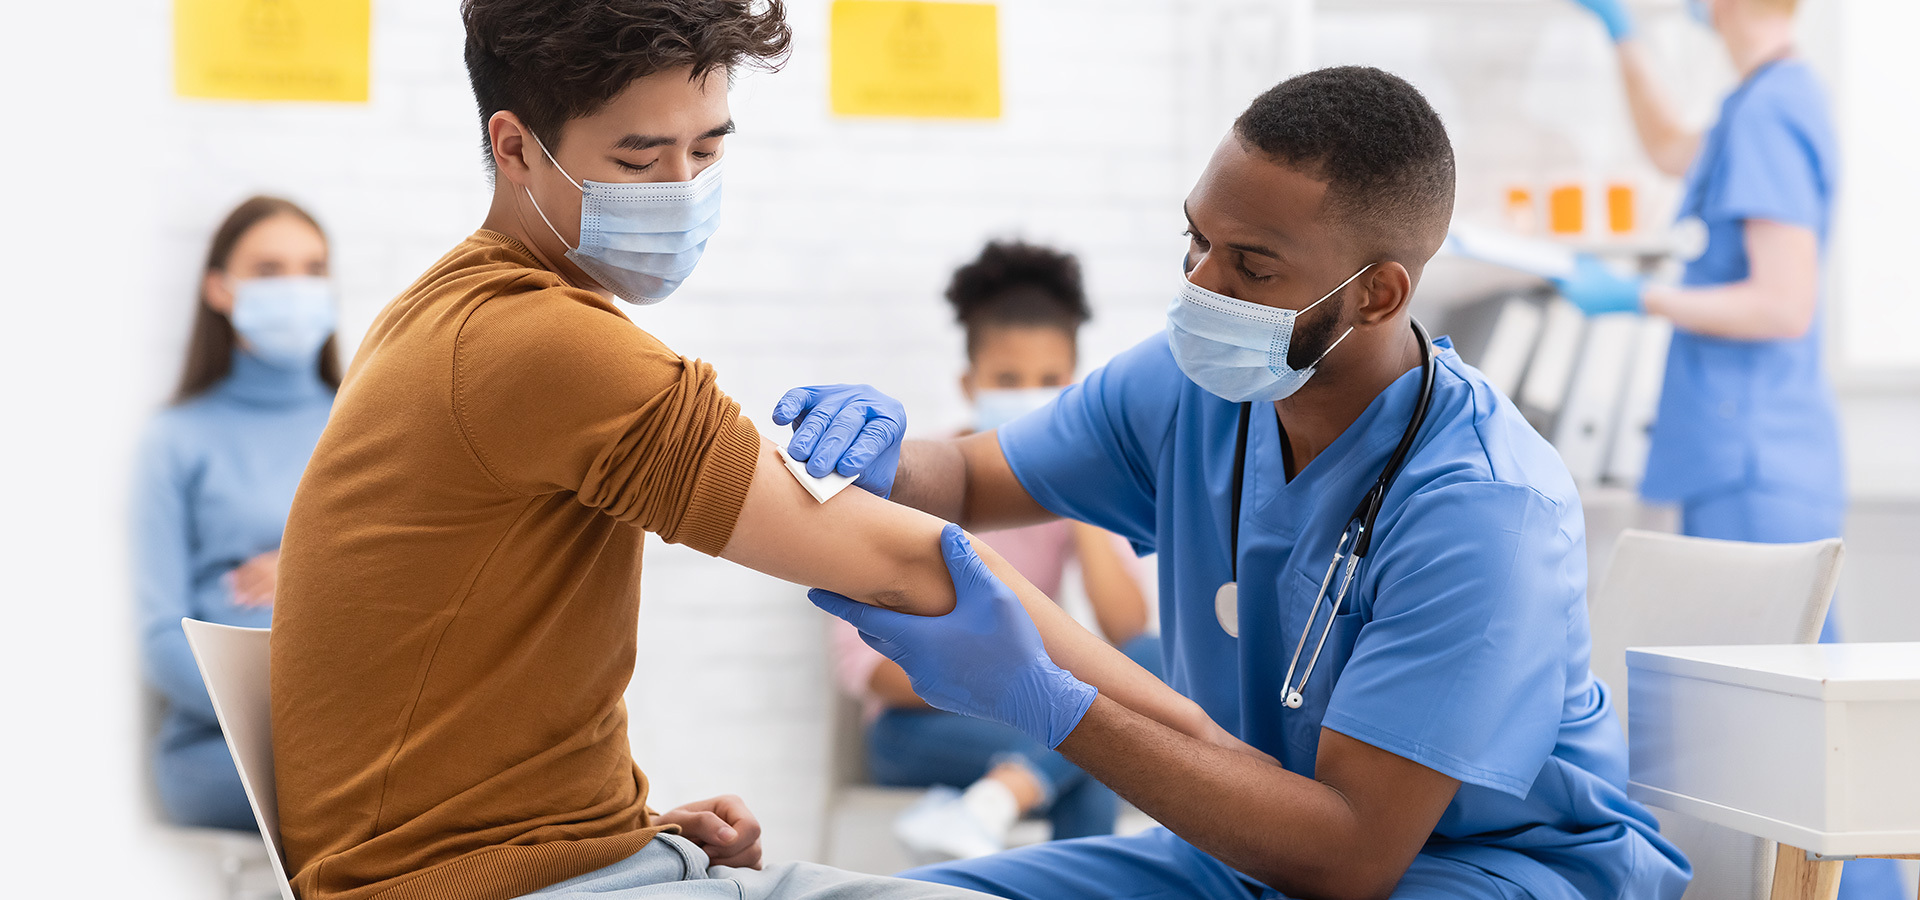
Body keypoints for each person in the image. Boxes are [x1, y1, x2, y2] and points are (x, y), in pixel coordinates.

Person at [266, 3, 1239, 900]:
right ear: (516, 147)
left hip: (506, 863)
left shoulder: (445, 314)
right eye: (641, 161)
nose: (683, 192)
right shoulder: (544, 346)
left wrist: (626, 830)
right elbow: (913, 561)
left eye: (707, 147)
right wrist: (1213, 752)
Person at [792, 67, 1693, 899]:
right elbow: (965, 479)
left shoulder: (1487, 511)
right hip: (1249, 856)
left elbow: (1352, 855)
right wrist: (886, 457)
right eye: (1197, 239)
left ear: (1377, 295)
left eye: (1252, 266)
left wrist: (1052, 703)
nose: (1199, 286)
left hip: (1473, 869)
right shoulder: (1188, 390)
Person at [1555, 2, 1897, 895]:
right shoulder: (1762, 100)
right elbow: (1673, 148)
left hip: (1756, 458)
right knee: (1800, 723)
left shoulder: (1774, 108)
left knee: (1803, 733)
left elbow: (1782, 303)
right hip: (1747, 452)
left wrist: (1642, 299)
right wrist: (1621, 36)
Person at [835, 241, 1159, 860]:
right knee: (1092, 746)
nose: (1028, 396)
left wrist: (1071, 492)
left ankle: (994, 802)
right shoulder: (908, 479)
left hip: (1028, 711)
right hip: (916, 729)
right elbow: (867, 671)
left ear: (1075, 387)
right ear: (969, 383)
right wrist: (1011, 686)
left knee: (1150, 665)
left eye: (1049, 382)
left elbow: (1129, 632)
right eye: (1008, 381)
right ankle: (1004, 797)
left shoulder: (1071, 488)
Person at [134, 196, 340, 831]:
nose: (296, 289)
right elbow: (156, 635)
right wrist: (292, 717)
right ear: (219, 290)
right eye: (270, 270)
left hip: (361, 728)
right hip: (218, 747)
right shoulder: (174, 440)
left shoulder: (372, 426)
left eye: (313, 269)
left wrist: (309, 567)